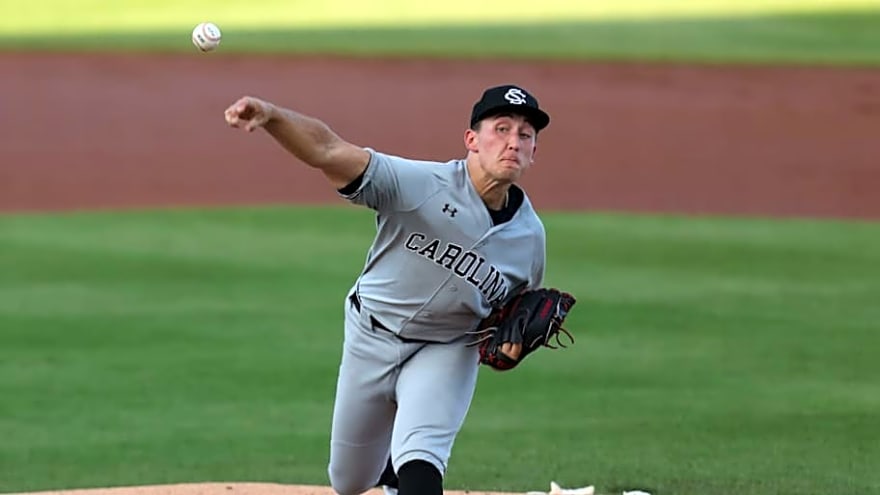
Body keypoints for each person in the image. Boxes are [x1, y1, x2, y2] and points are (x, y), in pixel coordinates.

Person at [224, 84, 551, 495]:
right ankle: (388, 467)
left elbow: (514, 315)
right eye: (500, 129)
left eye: (524, 135)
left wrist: (510, 346)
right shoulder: (419, 183)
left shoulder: (529, 238)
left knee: (423, 455)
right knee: (349, 481)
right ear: (471, 140)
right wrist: (272, 116)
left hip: (447, 347)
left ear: (534, 151)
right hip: (371, 334)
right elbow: (327, 151)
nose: (512, 142)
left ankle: (406, 463)